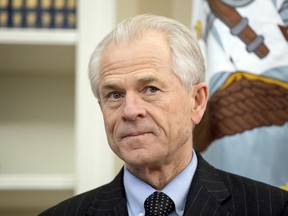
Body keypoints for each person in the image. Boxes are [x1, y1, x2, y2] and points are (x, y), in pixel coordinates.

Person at [39, 14, 288, 216]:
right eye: (115, 95)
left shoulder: (273, 208)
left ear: (197, 101)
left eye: (150, 89)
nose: (130, 111)